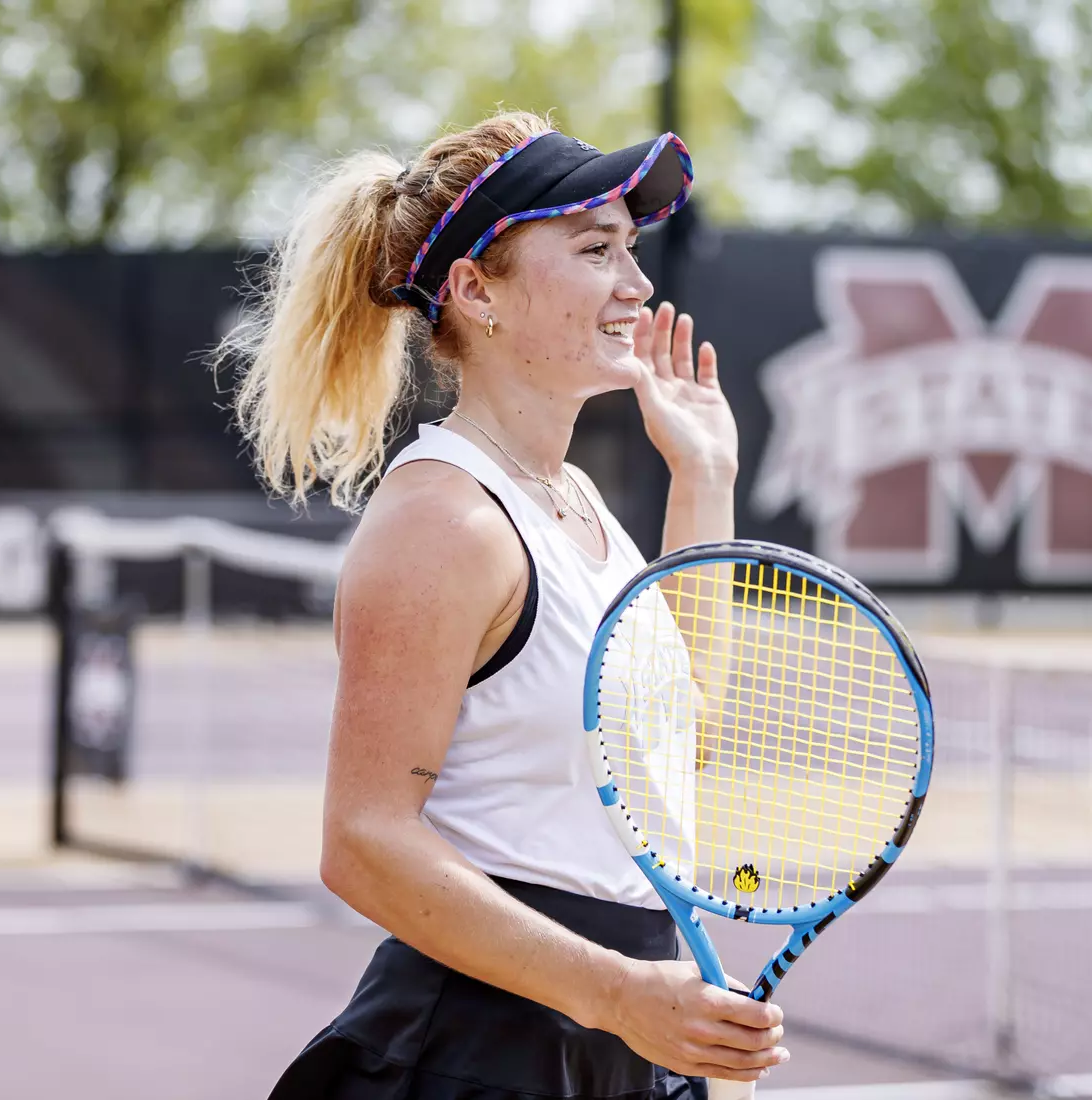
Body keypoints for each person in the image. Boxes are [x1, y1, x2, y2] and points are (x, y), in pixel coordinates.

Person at [215, 110, 787, 1099]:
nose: (636, 284)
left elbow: (678, 748)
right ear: (478, 290)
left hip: (612, 1031)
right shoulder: (444, 522)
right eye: (596, 249)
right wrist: (617, 991)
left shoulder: (578, 506)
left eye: (633, 250)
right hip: (482, 1049)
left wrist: (705, 480)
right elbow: (363, 841)